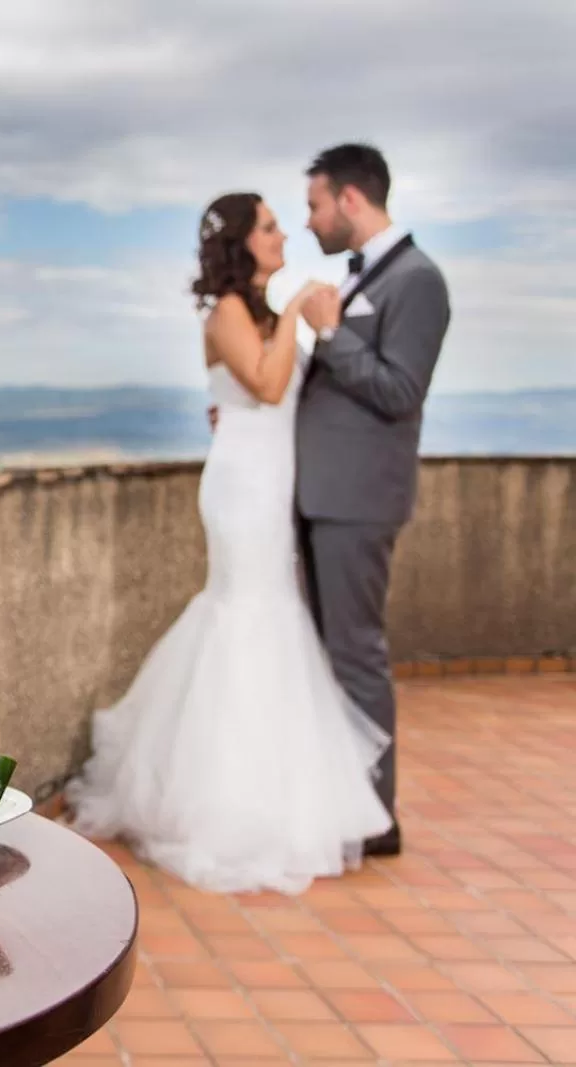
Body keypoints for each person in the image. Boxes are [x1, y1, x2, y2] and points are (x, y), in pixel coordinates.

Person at [65, 189, 393, 896]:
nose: (283, 236)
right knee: (245, 612)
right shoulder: (228, 310)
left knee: (271, 613)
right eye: (270, 227)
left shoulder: (261, 311)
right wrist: (302, 305)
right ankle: (222, 801)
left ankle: (272, 792)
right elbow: (269, 387)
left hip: (273, 481)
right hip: (244, 487)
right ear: (241, 241)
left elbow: (275, 393)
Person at [296, 143, 452, 856]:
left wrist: (330, 333)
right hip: (326, 495)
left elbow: (399, 391)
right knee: (334, 656)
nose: (310, 221)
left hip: (358, 500)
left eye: (315, 205)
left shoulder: (418, 280)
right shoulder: (366, 275)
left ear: (350, 199)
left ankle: (376, 819)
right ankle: (344, 802)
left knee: (356, 655)